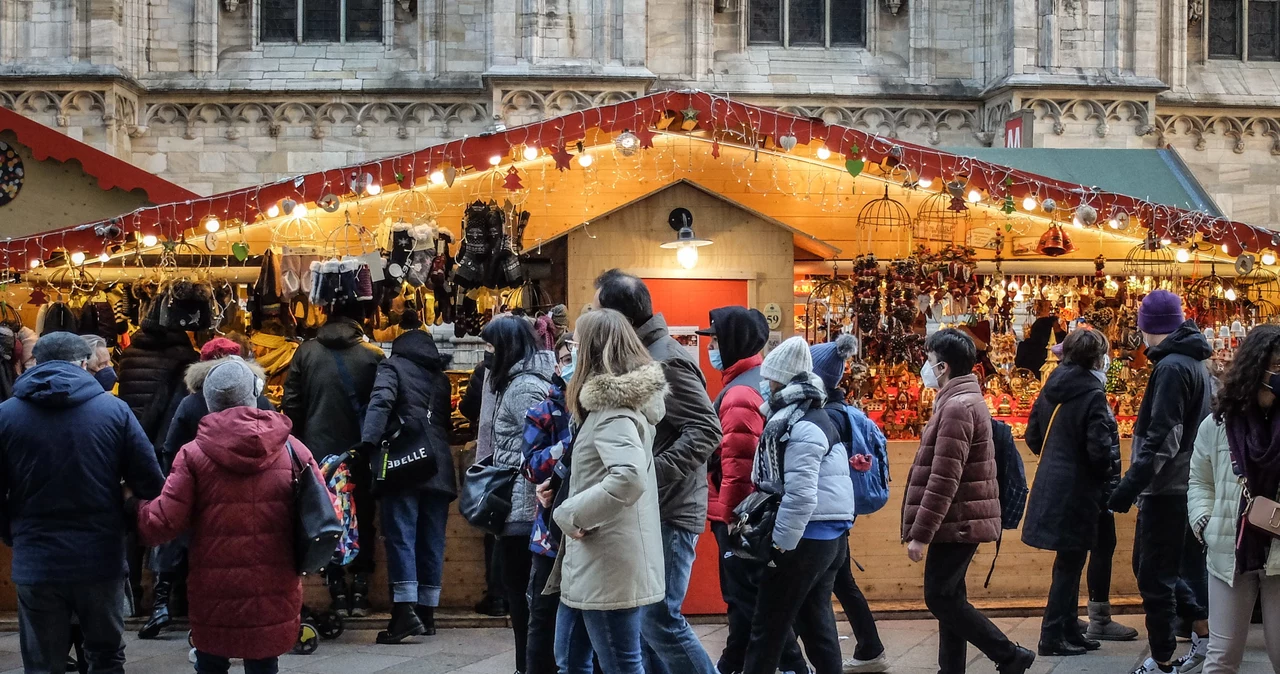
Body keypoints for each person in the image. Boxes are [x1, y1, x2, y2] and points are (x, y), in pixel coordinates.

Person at [134, 357, 326, 674]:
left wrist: (132, 511)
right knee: (264, 662)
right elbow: (322, 506)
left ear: (209, 403)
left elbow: (165, 521)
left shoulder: (193, 454)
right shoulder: (292, 448)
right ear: (253, 395)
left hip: (214, 587)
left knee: (211, 662)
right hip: (274, 584)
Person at [0, 332, 166, 673]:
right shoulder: (114, 411)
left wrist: (15, 534)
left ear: (35, 363)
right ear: (84, 364)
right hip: (99, 558)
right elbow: (151, 482)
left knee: (43, 663)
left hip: (37, 559)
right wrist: (124, 500)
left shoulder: (6, 415)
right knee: (105, 658)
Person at [592, 270, 722, 674]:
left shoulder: (666, 359)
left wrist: (647, 476)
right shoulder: (642, 356)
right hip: (652, 511)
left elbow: (706, 430)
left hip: (670, 511)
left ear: (620, 319)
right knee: (646, 624)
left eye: (598, 312)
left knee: (657, 619)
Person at [902, 328, 1036, 674]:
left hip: (958, 520)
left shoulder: (958, 407)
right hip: (961, 517)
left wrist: (920, 534)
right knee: (951, 599)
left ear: (943, 366)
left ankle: (1009, 655)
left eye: (929, 361)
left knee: (940, 597)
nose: (925, 367)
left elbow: (944, 478)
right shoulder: (959, 401)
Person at [547, 308, 667, 674]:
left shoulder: (612, 411)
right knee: (570, 656)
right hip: (597, 560)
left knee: (619, 661)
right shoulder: (608, 408)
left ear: (594, 352)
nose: (572, 351)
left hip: (608, 561)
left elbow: (628, 477)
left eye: (578, 345)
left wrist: (571, 511)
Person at [139, 337, 276, 641]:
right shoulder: (261, 402)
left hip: (199, 487)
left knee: (175, 535)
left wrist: (176, 483)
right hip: (249, 492)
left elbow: (170, 448)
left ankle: (162, 603)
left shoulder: (191, 403)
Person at [698, 307, 808, 674]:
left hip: (737, 514)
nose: (710, 347)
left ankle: (793, 664)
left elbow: (739, 466)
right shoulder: (749, 379)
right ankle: (732, 663)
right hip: (745, 511)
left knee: (745, 596)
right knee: (744, 599)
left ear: (732, 341)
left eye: (714, 339)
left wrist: (730, 518)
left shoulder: (739, 392)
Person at [1107, 290, 1213, 674]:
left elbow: (1163, 437)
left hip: (1167, 487)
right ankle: (1202, 630)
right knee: (1165, 569)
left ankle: (1163, 660)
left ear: (1147, 327)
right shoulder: (1195, 363)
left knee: (1153, 575)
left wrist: (1130, 485)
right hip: (1185, 485)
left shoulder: (1170, 368)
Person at [738, 336, 854, 674]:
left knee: (768, 627)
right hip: (826, 536)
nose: (764, 382)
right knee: (815, 624)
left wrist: (779, 545)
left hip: (806, 539)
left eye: (769, 376)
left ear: (781, 379)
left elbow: (801, 495)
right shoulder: (810, 416)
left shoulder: (800, 425)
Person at [1021, 328, 1121, 656]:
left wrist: (1057, 459)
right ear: (1096, 358)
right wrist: (1105, 475)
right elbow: (1098, 450)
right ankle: (1051, 636)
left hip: (1053, 484)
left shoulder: (1051, 387)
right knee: (1071, 562)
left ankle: (1068, 629)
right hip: (1078, 490)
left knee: (1068, 561)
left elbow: (1033, 436)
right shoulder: (1093, 394)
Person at [1187, 325, 1280, 674]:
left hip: (1279, 555)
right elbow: (1199, 480)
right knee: (1222, 657)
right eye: (1276, 367)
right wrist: (1205, 523)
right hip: (1230, 550)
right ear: (1256, 368)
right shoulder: (1217, 424)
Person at [282, 302, 383, 618]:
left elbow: (292, 406)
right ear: (360, 318)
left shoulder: (306, 353)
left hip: (319, 454)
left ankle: (337, 590)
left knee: (327, 518)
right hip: (360, 453)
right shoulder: (375, 356)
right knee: (363, 517)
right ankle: (361, 591)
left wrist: (300, 448)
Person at [359, 329, 457, 644]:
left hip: (404, 462)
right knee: (432, 539)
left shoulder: (392, 366)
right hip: (439, 465)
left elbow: (381, 402)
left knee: (401, 535)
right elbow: (445, 423)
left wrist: (368, 442)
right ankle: (426, 614)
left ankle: (404, 613)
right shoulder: (440, 377)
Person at [479, 315, 555, 674]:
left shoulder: (524, 387)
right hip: (517, 505)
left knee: (523, 597)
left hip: (524, 509)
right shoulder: (515, 382)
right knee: (518, 595)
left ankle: (529, 665)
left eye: (491, 346)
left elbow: (540, 446)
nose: (487, 354)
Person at [810, 334, 888, 674]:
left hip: (828, 513)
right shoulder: (847, 412)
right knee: (840, 580)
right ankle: (869, 645)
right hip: (843, 511)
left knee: (826, 584)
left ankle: (859, 648)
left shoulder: (827, 417)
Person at [522, 335, 575, 674]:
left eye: (576, 356)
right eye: (566, 357)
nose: (571, 363)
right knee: (542, 613)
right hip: (549, 536)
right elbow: (530, 465)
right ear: (557, 365)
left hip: (587, 529)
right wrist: (566, 445)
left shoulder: (599, 409)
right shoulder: (543, 412)